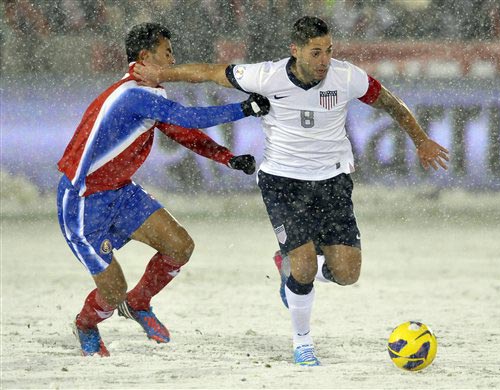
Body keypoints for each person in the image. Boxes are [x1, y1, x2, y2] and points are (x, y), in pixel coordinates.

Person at [134, 16, 449, 366]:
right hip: (283, 182)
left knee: (347, 274)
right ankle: (302, 343)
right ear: (295, 51)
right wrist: (161, 74)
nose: (324, 60)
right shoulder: (265, 76)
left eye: (328, 51)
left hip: (333, 181)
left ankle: (291, 265)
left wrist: (421, 140)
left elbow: (389, 102)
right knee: (303, 268)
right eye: (316, 52)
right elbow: (209, 71)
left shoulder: (347, 77)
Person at [56, 22, 270, 357]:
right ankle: (86, 324)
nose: (173, 61)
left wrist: (227, 158)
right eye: (167, 53)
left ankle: (139, 303)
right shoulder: (133, 94)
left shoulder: (151, 95)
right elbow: (189, 118)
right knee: (111, 292)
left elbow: (183, 132)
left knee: (179, 246)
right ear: (145, 57)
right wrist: (245, 108)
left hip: (121, 192)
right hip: (83, 202)